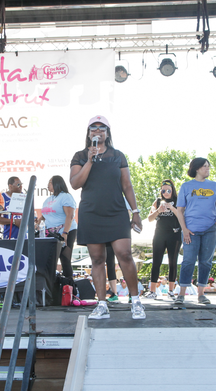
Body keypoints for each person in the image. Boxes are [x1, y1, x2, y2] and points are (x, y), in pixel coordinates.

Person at [70, 115, 145, 320]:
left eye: (102, 128)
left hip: (116, 211)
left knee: (125, 254)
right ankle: (102, 304)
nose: (97, 131)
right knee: (97, 259)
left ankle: (136, 301)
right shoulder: (80, 156)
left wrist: (135, 212)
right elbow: (75, 184)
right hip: (91, 212)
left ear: (107, 133)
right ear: (88, 133)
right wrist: (90, 160)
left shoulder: (118, 155)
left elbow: (126, 185)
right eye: (93, 128)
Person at [174, 157, 216, 305]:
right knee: (188, 260)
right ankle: (181, 294)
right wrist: (185, 230)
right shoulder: (186, 186)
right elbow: (180, 210)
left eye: (208, 166)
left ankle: (201, 293)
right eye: (204, 166)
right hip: (191, 229)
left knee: (206, 261)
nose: (207, 169)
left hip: (210, 229)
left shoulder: (214, 185)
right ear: (196, 168)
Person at [145, 180, 183, 300]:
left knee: (173, 262)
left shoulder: (178, 201)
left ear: (173, 191)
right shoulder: (157, 202)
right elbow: (150, 218)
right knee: (156, 262)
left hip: (174, 233)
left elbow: (182, 216)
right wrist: (158, 211)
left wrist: (171, 207)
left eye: (168, 190)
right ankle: (152, 291)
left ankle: (171, 290)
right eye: (163, 190)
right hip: (160, 234)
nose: (165, 193)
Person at [36, 176, 77, 282]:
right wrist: (39, 221)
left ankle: (69, 287)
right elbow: (46, 213)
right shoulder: (48, 199)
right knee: (50, 260)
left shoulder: (65, 197)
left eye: (50, 182)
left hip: (65, 231)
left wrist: (65, 233)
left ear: (57, 183)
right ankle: (51, 286)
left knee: (65, 259)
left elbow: (70, 216)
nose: (48, 184)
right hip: (51, 232)